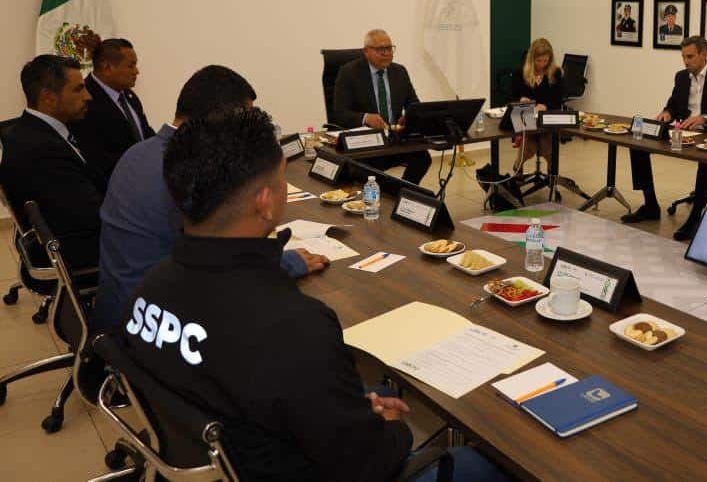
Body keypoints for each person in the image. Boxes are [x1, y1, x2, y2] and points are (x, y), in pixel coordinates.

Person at [118, 107, 504, 481]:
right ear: (265, 202)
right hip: (301, 462)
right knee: (486, 463)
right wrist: (392, 428)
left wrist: (350, 410)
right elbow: (369, 465)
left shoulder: (149, 289)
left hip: (239, 449)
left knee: (368, 395)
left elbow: (267, 384)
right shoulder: (294, 328)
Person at [92, 66, 329, 331]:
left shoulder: (138, 152)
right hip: (153, 321)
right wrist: (285, 263)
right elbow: (219, 263)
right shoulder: (185, 170)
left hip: (120, 305)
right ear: (220, 119)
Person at [623, 36, 707, 242]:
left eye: (690, 57)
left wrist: (704, 118)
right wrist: (667, 113)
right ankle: (650, 205)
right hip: (684, 132)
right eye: (683, 57)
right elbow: (673, 104)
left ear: (704, 54)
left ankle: (695, 216)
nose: (686, 62)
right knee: (638, 144)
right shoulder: (681, 77)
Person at [0, 55, 103, 269]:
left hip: (76, 236)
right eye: (78, 89)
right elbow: (88, 214)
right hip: (76, 251)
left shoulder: (43, 131)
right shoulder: (39, 149)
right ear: (49, 97)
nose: (88, 96)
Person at [332, 29, 432, 185]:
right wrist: (365, 118)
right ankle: (390, 192)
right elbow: (339, 113)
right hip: (366, 142)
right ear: (366, 51)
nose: (386, 53)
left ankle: (403, 193)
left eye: (389, 48)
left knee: (422, 158)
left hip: (394, 139)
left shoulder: (399, 72)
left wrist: (410, 116)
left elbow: (414, 104)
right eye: (380, 49)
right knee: (363, 170)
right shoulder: (349, 73)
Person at [70, 38, 155, 182]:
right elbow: (95, 155)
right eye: (131, 66)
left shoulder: (129, 96)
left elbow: (145, 135)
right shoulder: (84, 99)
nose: (136, 71)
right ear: (107, 67)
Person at [510, 38, 564, 170]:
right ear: (531, 58)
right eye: (538, 60)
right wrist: (520, 99)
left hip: (547, 117)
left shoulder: (556, 73)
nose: (542, 64)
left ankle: (552, 174)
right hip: (525, 117)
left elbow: (558, 99)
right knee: (529, 147)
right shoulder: (520, 73)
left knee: (547, 147)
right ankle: (518, 167)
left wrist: (545, 106)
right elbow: (511, 97)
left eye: (545, 61)